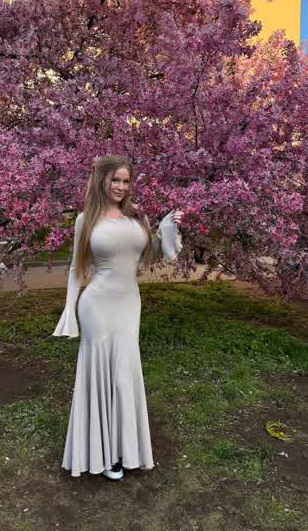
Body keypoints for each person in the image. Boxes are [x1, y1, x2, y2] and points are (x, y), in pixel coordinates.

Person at [52, 154, 183, 481]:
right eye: (115, 180)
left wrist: (166, 228)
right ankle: (105, 455)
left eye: (126, 181)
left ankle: (124, 448)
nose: (121, 186)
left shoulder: (137, 218)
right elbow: (75, 267)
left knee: (125, 375)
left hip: (128, 304)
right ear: (102, 181)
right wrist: (69, 310)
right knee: (101, 374)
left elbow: (149, 257)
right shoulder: (85, 220)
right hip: (96, 305)